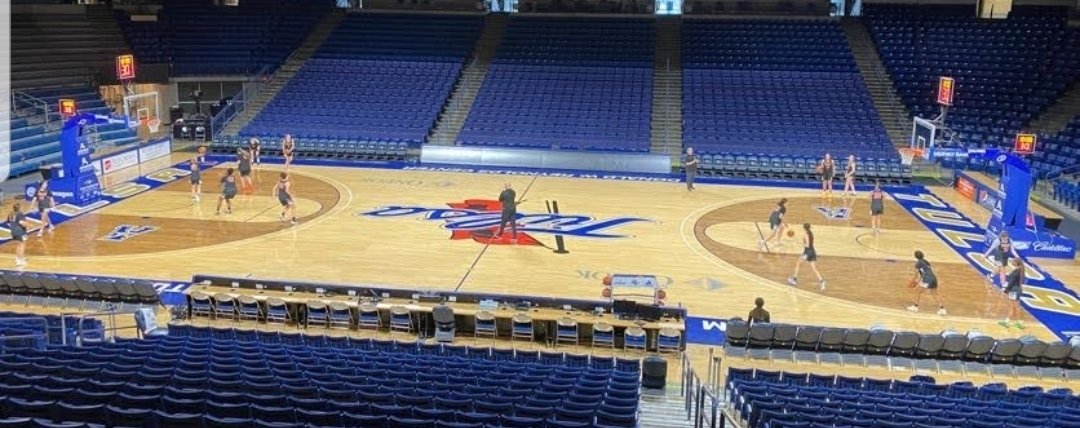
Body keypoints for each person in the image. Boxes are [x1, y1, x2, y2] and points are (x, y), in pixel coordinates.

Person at [788, 223, 826, 291]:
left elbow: (807, 245)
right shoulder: (811, 233)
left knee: (798, 264)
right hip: (813, 252)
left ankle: (794, 279)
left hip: (807, 253)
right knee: (814, 269)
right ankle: (822, 281)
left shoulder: (806, 234)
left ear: (804, 228)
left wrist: (801, 243)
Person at [908, 250, 946, 315]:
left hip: (927, 279)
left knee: (917, 291)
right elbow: (924, 272)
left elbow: (916, 275)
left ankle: (915, 307)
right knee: (935, 293)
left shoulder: (917, 263)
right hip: (934, 278)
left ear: (915, 256)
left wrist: (912, 281)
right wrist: (919, 281)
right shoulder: (926, 261)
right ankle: (942, 309)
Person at [999, 258, 1025, 329]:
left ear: (1016, 263)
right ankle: (1008, 321)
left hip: (1013, 291)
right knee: (1015, 307)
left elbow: (1011, 283)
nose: (1011, 262)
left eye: (1013, 261)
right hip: (1017, 290)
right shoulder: (1020, 270)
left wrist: (1005, 290)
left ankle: (1018, 323)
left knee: (1014, 307)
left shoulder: (1016, 272)